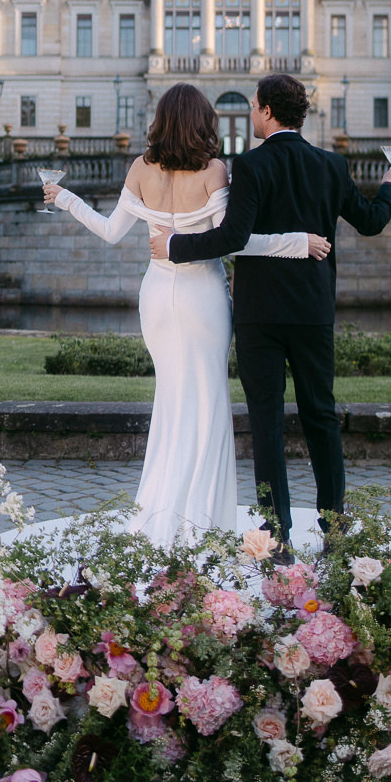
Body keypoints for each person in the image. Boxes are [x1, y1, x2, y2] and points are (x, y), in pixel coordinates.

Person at [42, 83, 331, 548]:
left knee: (170, 400)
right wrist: (298, 242)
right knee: (209, 402)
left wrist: (66, 199)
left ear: (161, 119)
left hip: (156, 294)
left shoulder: (140, 167)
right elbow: (236, 239)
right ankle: (205, 519)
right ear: (203, 122)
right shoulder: (214, 170)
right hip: (202, 298)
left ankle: (162, 507)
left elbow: (112, 232)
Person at [150, 72, 391, 550]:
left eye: (253, 106)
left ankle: (277, 534)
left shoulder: (250, 165)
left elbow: (233, 239)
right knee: (321, 418)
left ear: (266, 110)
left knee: (266, 423)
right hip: (311, 312)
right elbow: (370, 220)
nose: (250, 114)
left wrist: (174, 246)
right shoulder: (331, 163)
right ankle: (334, 528)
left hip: (259, 316)